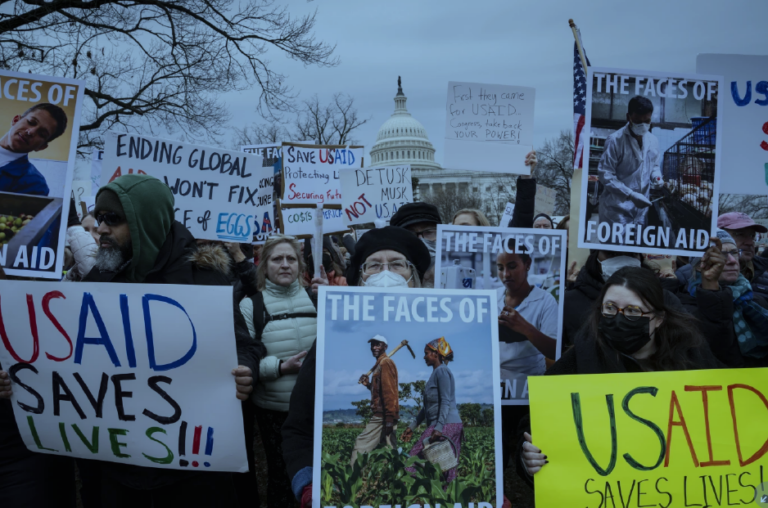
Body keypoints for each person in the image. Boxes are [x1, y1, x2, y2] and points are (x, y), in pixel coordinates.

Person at [75, 174, 262, 506]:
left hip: (190, 470)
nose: (101, 228)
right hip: (116, 466)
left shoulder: (203, 281)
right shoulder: (98, 279)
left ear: (146, 222)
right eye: (99, 217)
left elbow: (244, 346)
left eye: (114, 219)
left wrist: (246, 369)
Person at [520, 267, 721, 483]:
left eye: (633, 311)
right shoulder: (582, 357)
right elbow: (536, 424)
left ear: (659, 319)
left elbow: (720, 420)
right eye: (610, 308)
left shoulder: (691, 355)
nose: (618, 318)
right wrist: (529, 458)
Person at [281, 227, 430, 508]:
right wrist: (308, 485)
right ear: (361, 277)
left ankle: (381, 484)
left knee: (365, 448)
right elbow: (298, 429)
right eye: (374, 265)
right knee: (394, 450)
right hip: (384, 415)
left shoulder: (395, 357)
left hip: (384, 416)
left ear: (414, 276)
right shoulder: (328, 339)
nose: (386, 272)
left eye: (397, 264)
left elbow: (390, 392)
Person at [239, 234, 322, 506]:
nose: (285, 264)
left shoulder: (317, 299)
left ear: (300, 265)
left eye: (291, 259)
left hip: (313, 410)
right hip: (274, 410)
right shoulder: (251, 305)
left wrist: (332, 299)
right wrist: (279, 367)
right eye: (277, 259)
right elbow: (243, 357)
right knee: (281, 478)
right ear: (264, 266)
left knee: (318, 477)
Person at [684, 230, 768, 367]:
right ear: (700, 265)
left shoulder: (756, 301)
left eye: (735, 252)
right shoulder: (684, 309)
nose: (732, 261)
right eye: (721, 254)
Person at [597, 96, 663, 234]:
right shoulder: (615, 140)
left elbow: (654, 165)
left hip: (641, 211)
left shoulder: (653, 140)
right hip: (616, 210)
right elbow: (606, 175)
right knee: (614, 252)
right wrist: (630, 194)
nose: (643, 125)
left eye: (647, 121)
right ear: (629, 117)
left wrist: (656, 177)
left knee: (635, 252)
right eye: (638, 121)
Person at [402, 337, 463, 483]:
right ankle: (438, 499)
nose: (424, 356)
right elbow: (426, 408)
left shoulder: (442, 372)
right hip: (442, 424)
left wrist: (439, 427)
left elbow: (445, 401)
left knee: (412, 462)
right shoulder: (435, 374)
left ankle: (421, 499)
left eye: (426, 353)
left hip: (447, 424)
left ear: (436, 354)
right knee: (444, 469)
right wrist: (412, 427)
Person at [0, 103, 68, 196]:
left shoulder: (34, 185)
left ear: (41, 147)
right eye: (31, 122)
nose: (30, 132)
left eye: (42, 134)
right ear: (16, 120)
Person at [351, 335, 399, 465]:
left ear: (385, 347)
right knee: (388, 450)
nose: (374, 347)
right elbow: (380, 391)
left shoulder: (385, 363)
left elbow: (389, 392)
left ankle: (350, 480)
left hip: (382, 414)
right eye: (372, 345)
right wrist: (368, 385)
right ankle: (388, 481)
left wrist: (389, 417)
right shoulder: (379, 364)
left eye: (378, 344)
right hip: (386, 414)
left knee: (361, 444)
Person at [717, 212, 768, 299]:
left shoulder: (765, 277)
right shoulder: (692, 276)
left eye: (752, 235)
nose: (750, 242)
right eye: (740, 234)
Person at [63, 201, 97, 282]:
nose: (90, 235)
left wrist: (73, 223)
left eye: (97, 230)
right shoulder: (70, 270)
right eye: (85, 231)